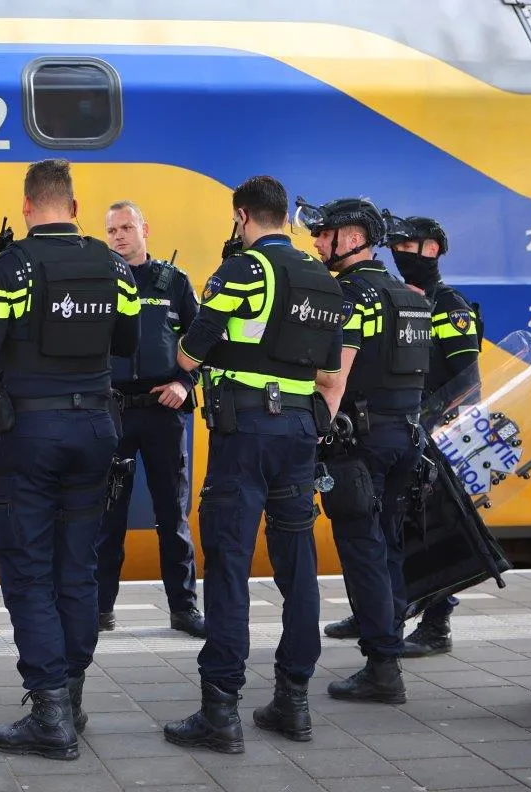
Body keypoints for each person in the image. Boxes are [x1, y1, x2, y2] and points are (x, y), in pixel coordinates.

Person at [0, 159, 140, 761]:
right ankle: (71, 698)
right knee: (77, 567)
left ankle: (49, 711)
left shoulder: (10, 267)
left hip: (31, 434)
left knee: (28, 568)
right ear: (74, 209)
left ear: (26, 207)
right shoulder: (113, 265)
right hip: (97, 428)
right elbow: (128, 344)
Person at [162, 176, 345, 754]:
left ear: (243, 216)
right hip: (299, 429)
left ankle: (221, 708)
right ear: (286, 215)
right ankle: (293, 701)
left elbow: (190, 350)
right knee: (297, 565)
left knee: (230, 563)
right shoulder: (323, 278)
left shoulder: (244, 271)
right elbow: (329, 372)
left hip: (246, 433)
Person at [303, 196, 433, 705]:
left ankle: (382, 668)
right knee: (390, 544)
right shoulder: (410, 297)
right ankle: (391, 642)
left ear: (353, 239)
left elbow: (335, 374)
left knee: (363, 550)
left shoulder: (349, 296)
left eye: (324, 234)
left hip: (362, 444)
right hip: (405, 436)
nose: (316, 243)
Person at [97, 200, 204, 638]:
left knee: (172, 516)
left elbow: (205, 342)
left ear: (145, 228)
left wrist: (185, 383)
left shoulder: (175, 282)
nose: (119, 236)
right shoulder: (100, 281)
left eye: (126, 227)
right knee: (107, 517)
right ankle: (100, 610)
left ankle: (184, 610)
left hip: (165, 411)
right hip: (114, 412)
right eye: (111, 231)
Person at [385, 212, 481, 657]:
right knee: (393, 526)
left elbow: (468, 381)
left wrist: (427, 418)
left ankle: (436, 626)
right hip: (403, 434)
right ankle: (386, 610)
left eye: (412, 248)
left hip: (437, 438)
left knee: (436, 530)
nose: (404, 256)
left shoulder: (449, 306)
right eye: (398, 248)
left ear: (435, 250)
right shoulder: (402, 299)